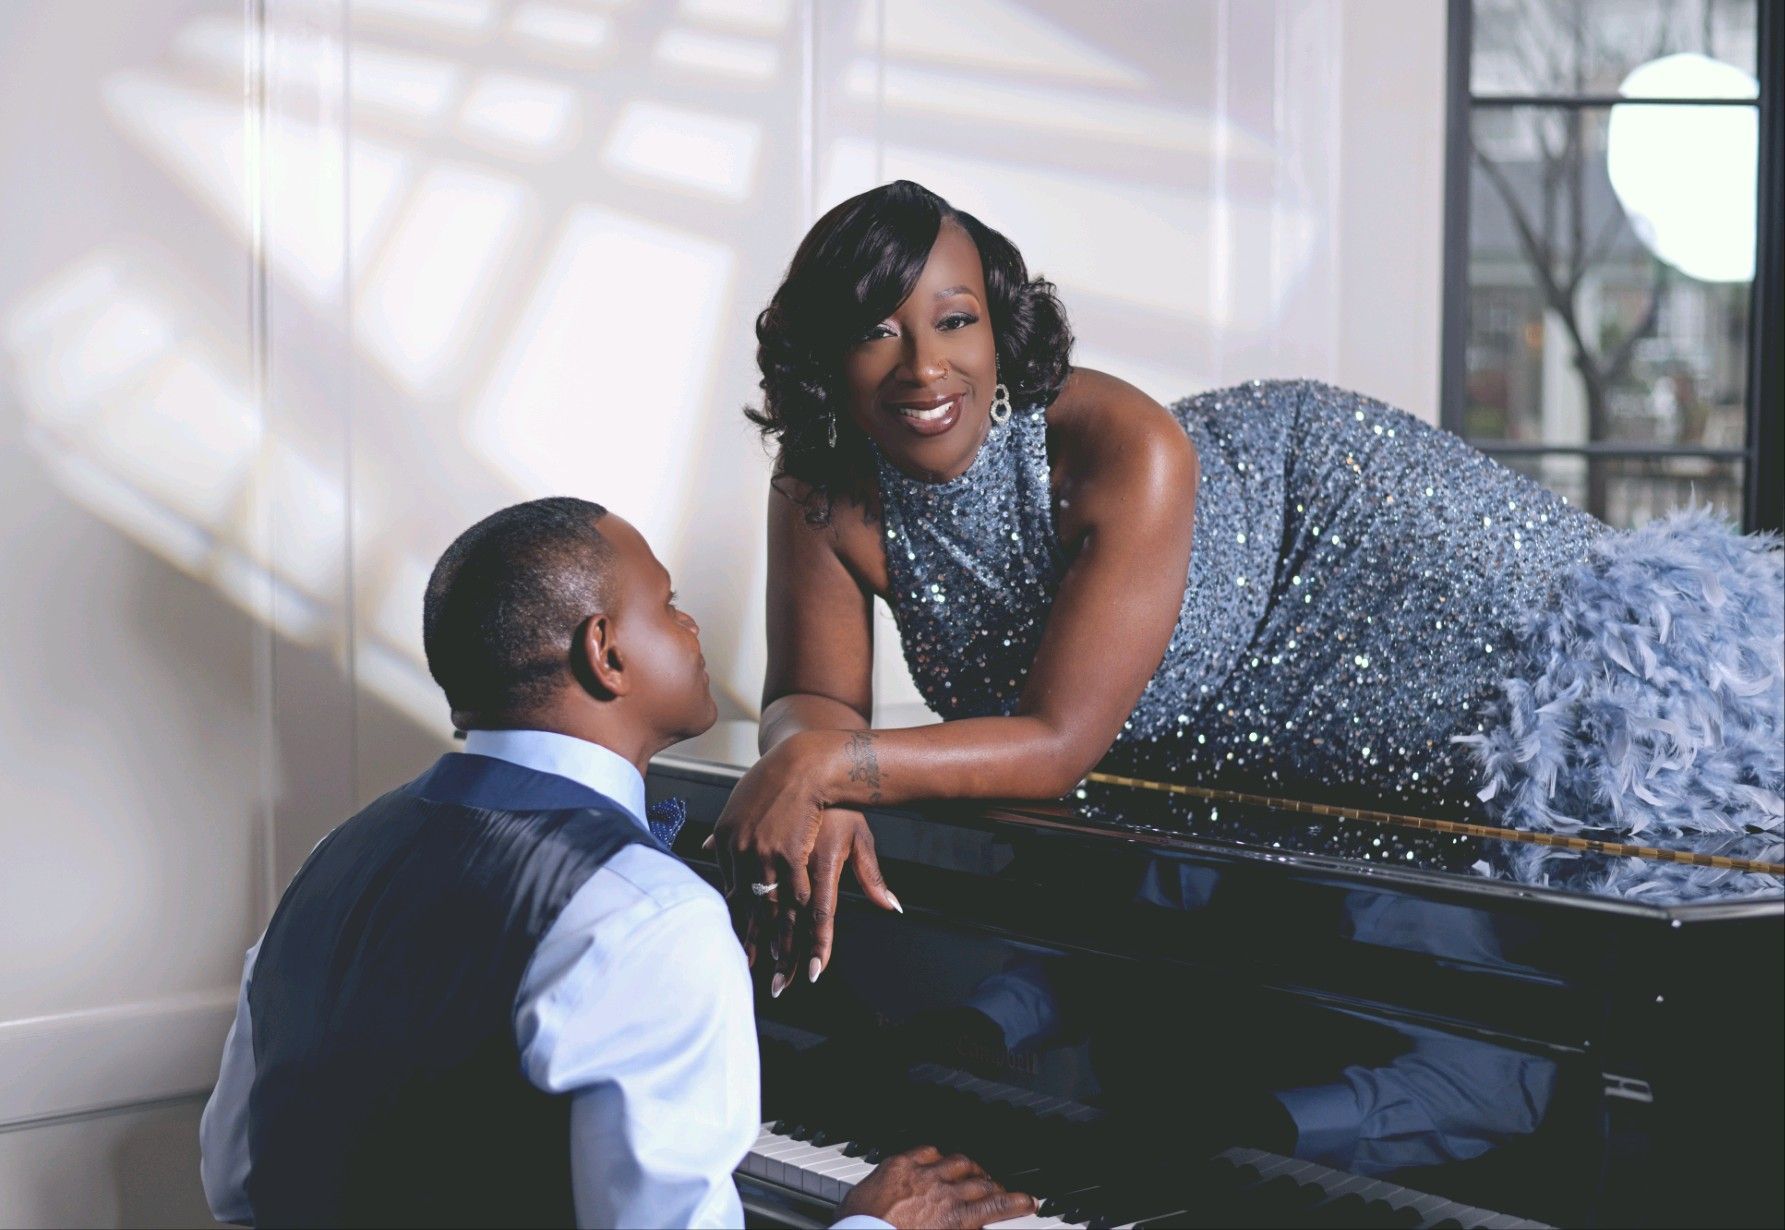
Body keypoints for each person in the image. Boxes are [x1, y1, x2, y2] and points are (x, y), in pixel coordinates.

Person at [713, 179, 1784, 993]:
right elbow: (812, 697)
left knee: (1651, 747)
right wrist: (817, 773)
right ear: (828, 354)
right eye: (876, 331)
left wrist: (835, 766)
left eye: (954, 321)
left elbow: (1053, 743)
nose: (924, 369)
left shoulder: (1117, 446)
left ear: (997, 327)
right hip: (1255, 716)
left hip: (1362, 542)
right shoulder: (822, 486)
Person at [198, 497, 1036, 1229]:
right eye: (669, 606)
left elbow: (236, 1181)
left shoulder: (333, 857)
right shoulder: (648, 910)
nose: (693, 624)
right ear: (604, 652)